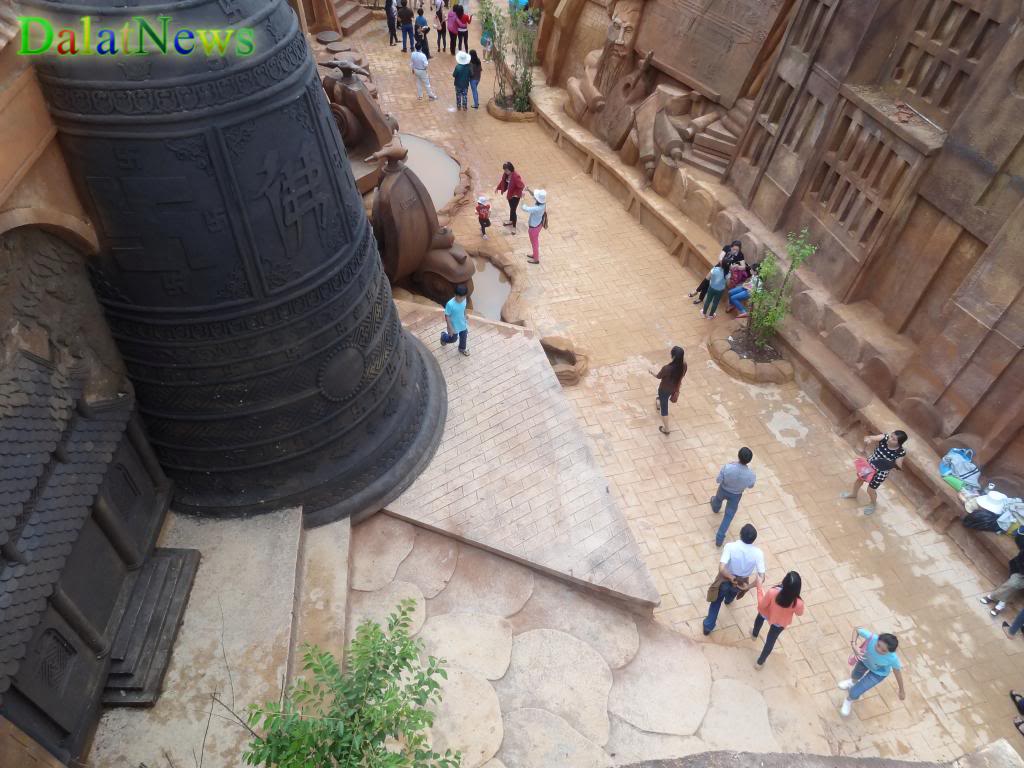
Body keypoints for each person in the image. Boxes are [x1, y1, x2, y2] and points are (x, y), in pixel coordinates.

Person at [703, 523, 765, 636]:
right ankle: (729, 600)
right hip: (742, 582)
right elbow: (761, 577)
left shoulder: (730, 546)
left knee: (716, 602)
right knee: (732, 593)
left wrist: (731, 577)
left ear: (740, 534)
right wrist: (748, 586)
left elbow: (721, 568)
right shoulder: (758, 554)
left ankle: (708, 626)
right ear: (753, 540)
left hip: (725, 579)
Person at [838, 627, 906, 717]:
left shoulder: (893, 659)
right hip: (864, 661)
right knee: (855, 675)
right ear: (877, 640)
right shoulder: (873, 638)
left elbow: (897, 673)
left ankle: (848, 700)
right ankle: (852, 682)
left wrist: (901, 690)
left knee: (855, 691)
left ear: (890, 651)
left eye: (883, 650)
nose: (879, 650)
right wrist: (854, 645)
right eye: (878, 645)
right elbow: (857, 630)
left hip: (878, 674)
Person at [841, 430, 908, 515]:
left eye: (894, 439)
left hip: (881, 472)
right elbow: (871, 437)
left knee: (871, 489)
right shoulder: (885, 438)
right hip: (870, 465)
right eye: (891, 436)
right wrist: (869, 439)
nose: (890, 439)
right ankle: (853, 494)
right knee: (859, 480)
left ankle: (873, 504)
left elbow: (899, 465)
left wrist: (892, 464)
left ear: (899, 443)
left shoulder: (900, 452)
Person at [753, 571, 804, 668]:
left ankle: (754, 634)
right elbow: (799, 613)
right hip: (779, 623)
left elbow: (762, 605)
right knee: (770, 641)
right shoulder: (798, 603)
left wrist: (759, 587)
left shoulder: (773, 592)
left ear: (784, 581)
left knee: (759, 620)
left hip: (766, 613)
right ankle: (760, 663)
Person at [710, 447, 756, 547]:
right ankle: (719, 538)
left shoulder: (728, 467)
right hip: (736, 495)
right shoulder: (751, 474)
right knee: (728, 516)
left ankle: (715, 507)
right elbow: (751, 486)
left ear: (738, 456)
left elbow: (718, 480)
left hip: (723, 489)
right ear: (749, 460)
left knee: (717, 499)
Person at [649, 346, 687, 435]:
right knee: (662, 399)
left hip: (664, 389)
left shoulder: (667, 368)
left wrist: (652, 372)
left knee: (664, 409)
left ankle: (666, 429)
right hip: (674, 388)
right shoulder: (684, 366)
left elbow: (658, 376)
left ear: (673, 356)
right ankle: (659, 402)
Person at [440, 284, 470, 356]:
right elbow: (447, 316)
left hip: (462, 323)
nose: (460, 299)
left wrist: (465, 314)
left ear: (465, 296)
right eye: (458, 297)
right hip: (453, 326)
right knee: (453, 339)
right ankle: (443, 336)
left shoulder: (464, 300)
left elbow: (464, 308)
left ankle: (462, 348)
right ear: (455, 294)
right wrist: (450, 328)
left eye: (462, 297)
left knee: (464, 336)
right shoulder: (450, 304)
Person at [496, 161, 524, 234]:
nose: (505, 171)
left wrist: (515, 193)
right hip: (510, 195)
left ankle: (514, 227)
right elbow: (503, 181)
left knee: (513, 210)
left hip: (515, 196)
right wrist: (497, 188)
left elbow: (521, 186)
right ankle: (511, 221)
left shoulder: (516, 176)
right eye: (504, 170)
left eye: (506, 170)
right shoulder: (506, 174)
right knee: (511, 209)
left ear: (510, 169)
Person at [522, 188, 546, 264]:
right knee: (534, 242)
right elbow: (535, 196)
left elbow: (525, 208)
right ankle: (535, 255)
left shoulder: (537, 208)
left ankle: (536, 259)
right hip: (538, 225)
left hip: (533, 229)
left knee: (534, 243)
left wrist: (522, 198)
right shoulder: (543, 204)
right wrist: (529, 190)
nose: (535, 197)